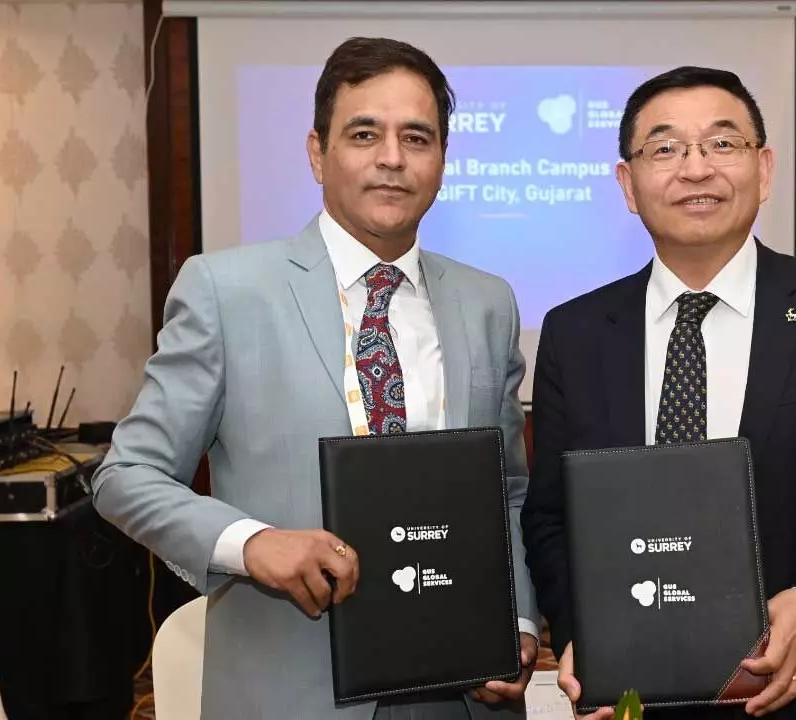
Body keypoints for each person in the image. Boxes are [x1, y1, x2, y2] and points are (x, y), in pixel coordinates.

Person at [92, 37, 540, 719]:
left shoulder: (489, 302)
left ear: (442, 160)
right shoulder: (225, 290)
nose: (392, 158)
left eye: (416, 137)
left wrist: (522, 625)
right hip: (289, 693)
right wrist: (252, 543)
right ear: (316, 153)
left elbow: (505, 490)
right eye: (365, 134)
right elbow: (125, 477)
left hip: (462, 694)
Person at [520, 66, 796, 719]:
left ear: (764, 169)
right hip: (633, 701)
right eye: (664, 148)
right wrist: (588, 640)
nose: (695, 169)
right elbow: (550, 516)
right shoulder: (575, 333)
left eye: (722, 144)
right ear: (628, 185)